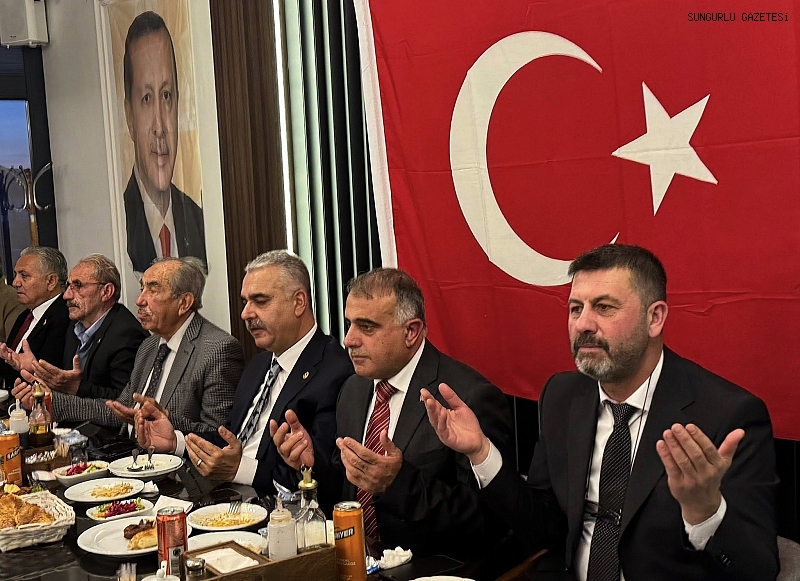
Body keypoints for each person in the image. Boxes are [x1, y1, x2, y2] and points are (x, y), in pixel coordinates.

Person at [421, 244, 778, 581]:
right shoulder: (562, 395)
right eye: (576, 308)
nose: (583, 324)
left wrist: (705, 513)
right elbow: (544, 527)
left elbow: (759, 569)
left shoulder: (727, 415)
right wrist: (481, 452)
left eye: (604, 307)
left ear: (655, 318)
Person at [272, 268, 514, 558]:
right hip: (352, 559)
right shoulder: (353, 388)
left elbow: (488, 520)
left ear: (411, 332)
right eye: (349, 324)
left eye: (367, 327)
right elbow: (346, 491)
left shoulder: (467, 397)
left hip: (429, 568)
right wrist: (311, 467)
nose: (349, 340)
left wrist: (397, 484)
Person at [135, 250, 353, 496]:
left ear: (299, 302)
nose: (246, 314)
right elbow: (230, 441)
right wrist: (176, 441)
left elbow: (325, 476)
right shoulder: (259, 366)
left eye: (260, 301)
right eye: (245, 302)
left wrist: (241, 469)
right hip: (225, 496)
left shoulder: (336, 371)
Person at [13, 257, 243, 434]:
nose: (139, 300)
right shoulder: (150, 346)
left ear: (184, 303)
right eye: (142, 289)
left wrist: (160, 420)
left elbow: (217, 435)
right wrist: (48, 402)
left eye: (153, 290)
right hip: (130, 458)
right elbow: (119, 411)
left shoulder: (218, 350)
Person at [122, 10, 206, 273]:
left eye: (167, 95)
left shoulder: (200, 221)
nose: (160, 127)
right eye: (147, 99)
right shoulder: (119, 219)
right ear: (130, 116)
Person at [21, 254, 148, 400]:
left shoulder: (127, 334)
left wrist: (77, 388)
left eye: (78, 286)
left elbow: (127, 401)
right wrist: (37, 371)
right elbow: (65, 380)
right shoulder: (75, 326)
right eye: (68, 286)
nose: (67, 295)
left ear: (106, 291)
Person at [0, 247, 70, 387]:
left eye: (24, 276)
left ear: (51, 281)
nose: (15, 283)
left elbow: (51, 371)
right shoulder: (26, 315)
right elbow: (11, 361)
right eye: (16, 275)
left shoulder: (65, 316)